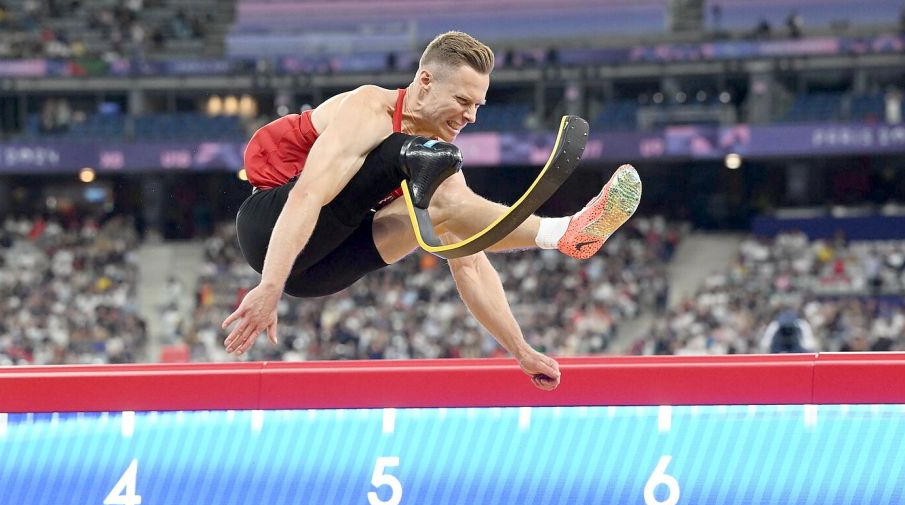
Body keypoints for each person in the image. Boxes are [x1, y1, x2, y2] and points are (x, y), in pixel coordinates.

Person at [220, 31, 642, 391]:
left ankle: (566, 236)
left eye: (478, 105)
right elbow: (307, 196)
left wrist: (521, 350)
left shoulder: (431, 159)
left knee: (447, 208)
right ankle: (564, 231)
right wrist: (269, 288)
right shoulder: (370, 110)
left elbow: (471, 262)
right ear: (425, 81)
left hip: (318, 273)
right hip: (268, 227)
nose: (471, 116)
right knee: (401, 155)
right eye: (462, 100)